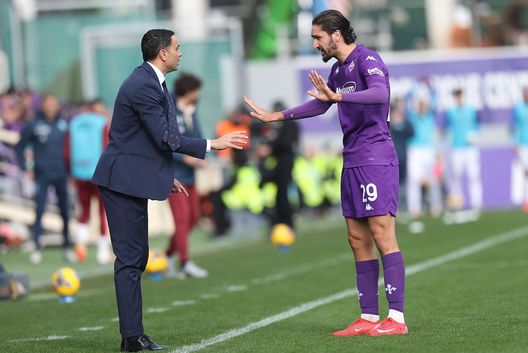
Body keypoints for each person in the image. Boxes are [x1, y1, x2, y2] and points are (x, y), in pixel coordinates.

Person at [244, 10, 407, 336]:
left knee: (381, 234)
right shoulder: (337, 69)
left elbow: (380, 92)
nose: (315, 43)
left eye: (318, 37)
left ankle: (397, 319)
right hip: (353, 158)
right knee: (357, 238)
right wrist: (276, 116)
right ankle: (369, 317)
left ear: (336, 34)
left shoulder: (366, 59)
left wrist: (339, 96)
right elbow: (321, 104)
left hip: (376, 157)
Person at [91, 29, 247, 351]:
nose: (181, 53)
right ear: (162, 53)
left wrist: (165, 175)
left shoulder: (151, 83)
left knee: (137, 257)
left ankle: (134, 335)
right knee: (131, 259)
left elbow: (144, 142)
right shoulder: (144, 85)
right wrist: (212, 144)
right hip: (121, 180)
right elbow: (164, 138)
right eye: (177, 48)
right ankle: (131, 338)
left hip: (130, 177)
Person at [15, 95, 76, 264]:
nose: (50, 108)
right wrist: (25, 169)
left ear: (58, 106)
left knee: (65, 211)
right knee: (39, 210)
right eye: (47, 105)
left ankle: (67, 246)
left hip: (62, 174)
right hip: (41, 175)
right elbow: (20, 146)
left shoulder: (64, 124)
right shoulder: (34, 125)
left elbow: (72, 148)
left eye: (53, 105)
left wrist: (72, 171)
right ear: (43, 106)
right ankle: (36, 247)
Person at [165, 73, 208, 278]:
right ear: (188, 91)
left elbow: (197, 137)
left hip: (190, 175)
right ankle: (185, 263)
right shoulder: (168, 107)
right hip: (174, 175)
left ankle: (167, 255)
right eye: (196, 90)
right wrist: (185, 158)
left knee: (192, 219)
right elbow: (165, 142)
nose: (198, 95)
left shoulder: (191, 110)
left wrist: (199, 156)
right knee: (181, 220)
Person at [64, 99, 112, 264]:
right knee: (101, 212)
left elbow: (67, 151)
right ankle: (102, 252)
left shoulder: (74, 123)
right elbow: (107, 148)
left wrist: (71, 172)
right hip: (99, 173)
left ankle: (80, 250)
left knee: (83, 212)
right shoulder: (101, 123)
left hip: (79, 172)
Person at [444, 89, 482, 213]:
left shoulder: (471, 110)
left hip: (470, 148)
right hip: (457, 148)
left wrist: (475, 135)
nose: (458, 98)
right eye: (456, 96)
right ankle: (457, 203)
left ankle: (477, 203)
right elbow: (445, 129)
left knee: (473, 175)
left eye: (460, 95)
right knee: (456, 177)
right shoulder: (451, 112)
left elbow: (477, 125)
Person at [510, 87, 528, 211]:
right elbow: (512, 127)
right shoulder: (518, 109)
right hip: (522, 145)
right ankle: (521, 199)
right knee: (523, 172)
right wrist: (514, 143)